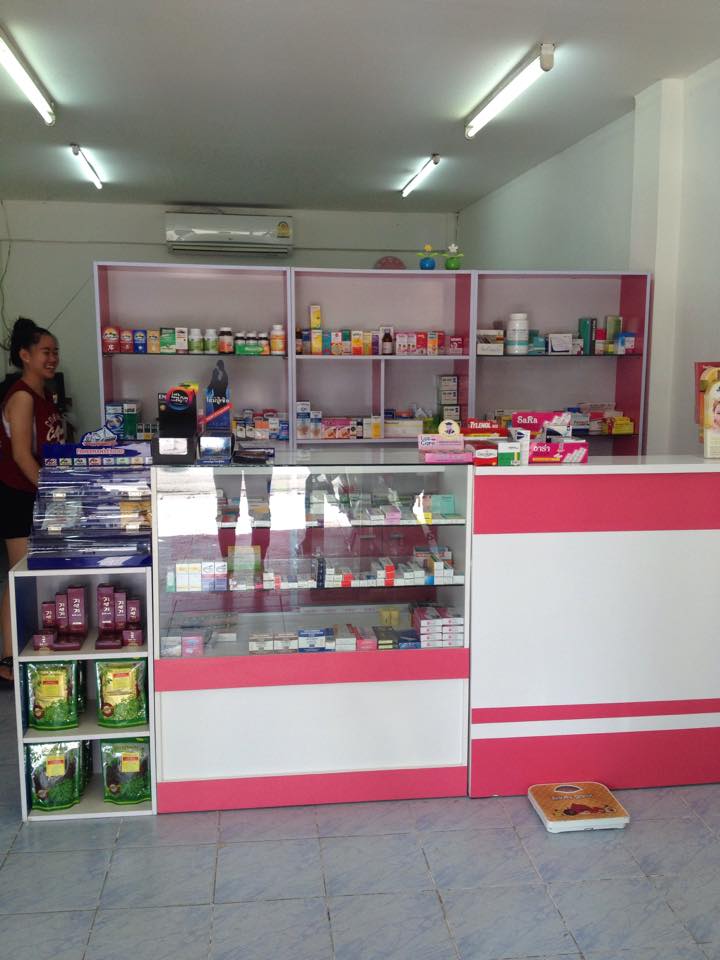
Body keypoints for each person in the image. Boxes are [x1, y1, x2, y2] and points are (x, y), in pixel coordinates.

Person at [0, 318, 64, 683]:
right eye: (45, 352)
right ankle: (9, 660)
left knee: (30, 574)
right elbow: (22, 455)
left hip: (38, 495)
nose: (52, 358)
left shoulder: (44, 395)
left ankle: (27, 648)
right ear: (25, 355)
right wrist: (51, 494)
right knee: (18, 574)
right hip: (19, 496)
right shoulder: (22, 397)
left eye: (55, 352)